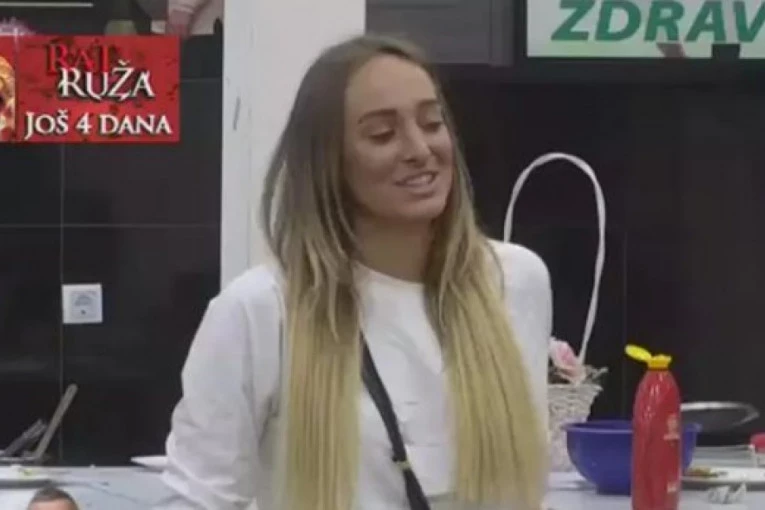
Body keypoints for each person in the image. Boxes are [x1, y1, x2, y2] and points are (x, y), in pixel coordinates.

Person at [158, 34, 552, 510]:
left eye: (432, 123)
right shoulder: (259, 311)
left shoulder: (515, 281)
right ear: (328, 162)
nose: (420, 149)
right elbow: (199, 498)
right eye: (382, 135)